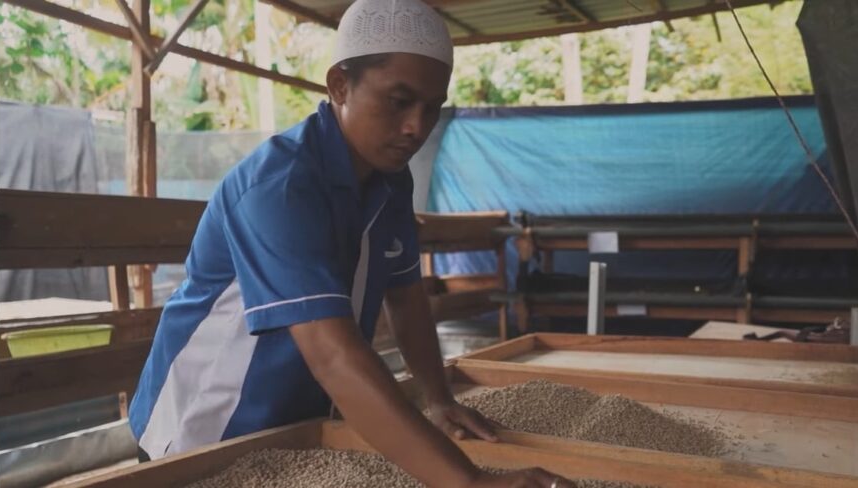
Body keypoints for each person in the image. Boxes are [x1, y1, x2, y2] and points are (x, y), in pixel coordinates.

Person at [128, 1, 574, 486]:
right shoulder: (280, 187)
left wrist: (439, 398)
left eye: (432, 108)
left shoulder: (390, 182)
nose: (416, 128)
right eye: (399, 101)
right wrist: (471, 483)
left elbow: (406, 297)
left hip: (296, 428)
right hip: (204, 433)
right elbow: (333, 356)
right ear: (339, 85)